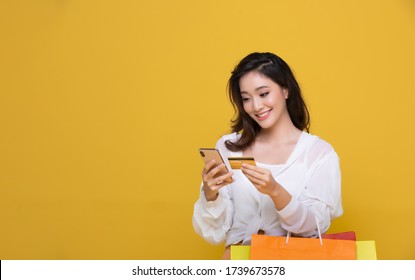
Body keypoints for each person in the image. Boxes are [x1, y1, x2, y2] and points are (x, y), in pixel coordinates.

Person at [192, 52, 343, 259]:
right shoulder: (229, 147)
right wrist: (210, 195)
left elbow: (313, 228)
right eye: (246, 98)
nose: (256, 106)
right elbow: (213, 233)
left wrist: (276, 192)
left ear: (285, 89)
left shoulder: (318, 154)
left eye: (263, 94)